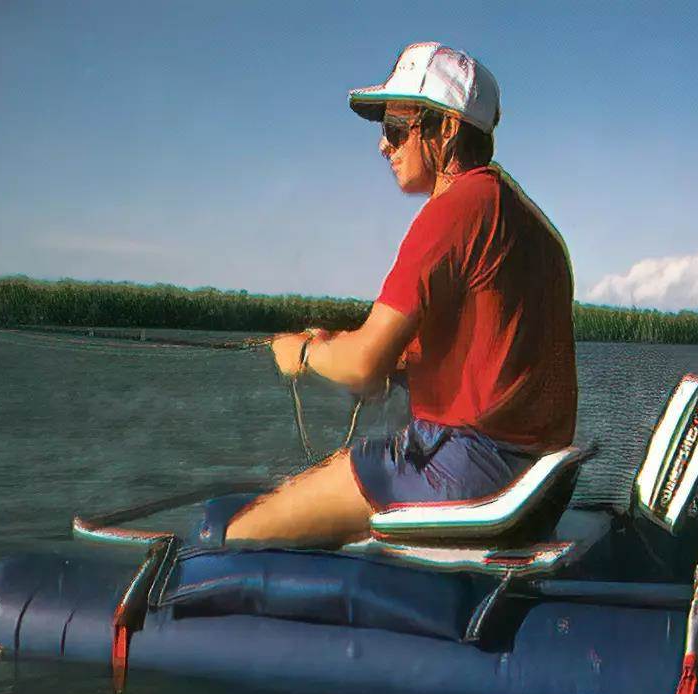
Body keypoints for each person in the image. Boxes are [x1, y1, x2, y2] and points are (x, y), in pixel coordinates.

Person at [225, 42, 577, 547]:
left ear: (447, 129)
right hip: (534, 483)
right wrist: (359, 353)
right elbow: (488, 364)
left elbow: (363, 364)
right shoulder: (530, 224)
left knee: (238, 533)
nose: (383, 147)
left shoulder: (454, 210)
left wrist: (301, 352)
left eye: (396, 130)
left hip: (468, 470)